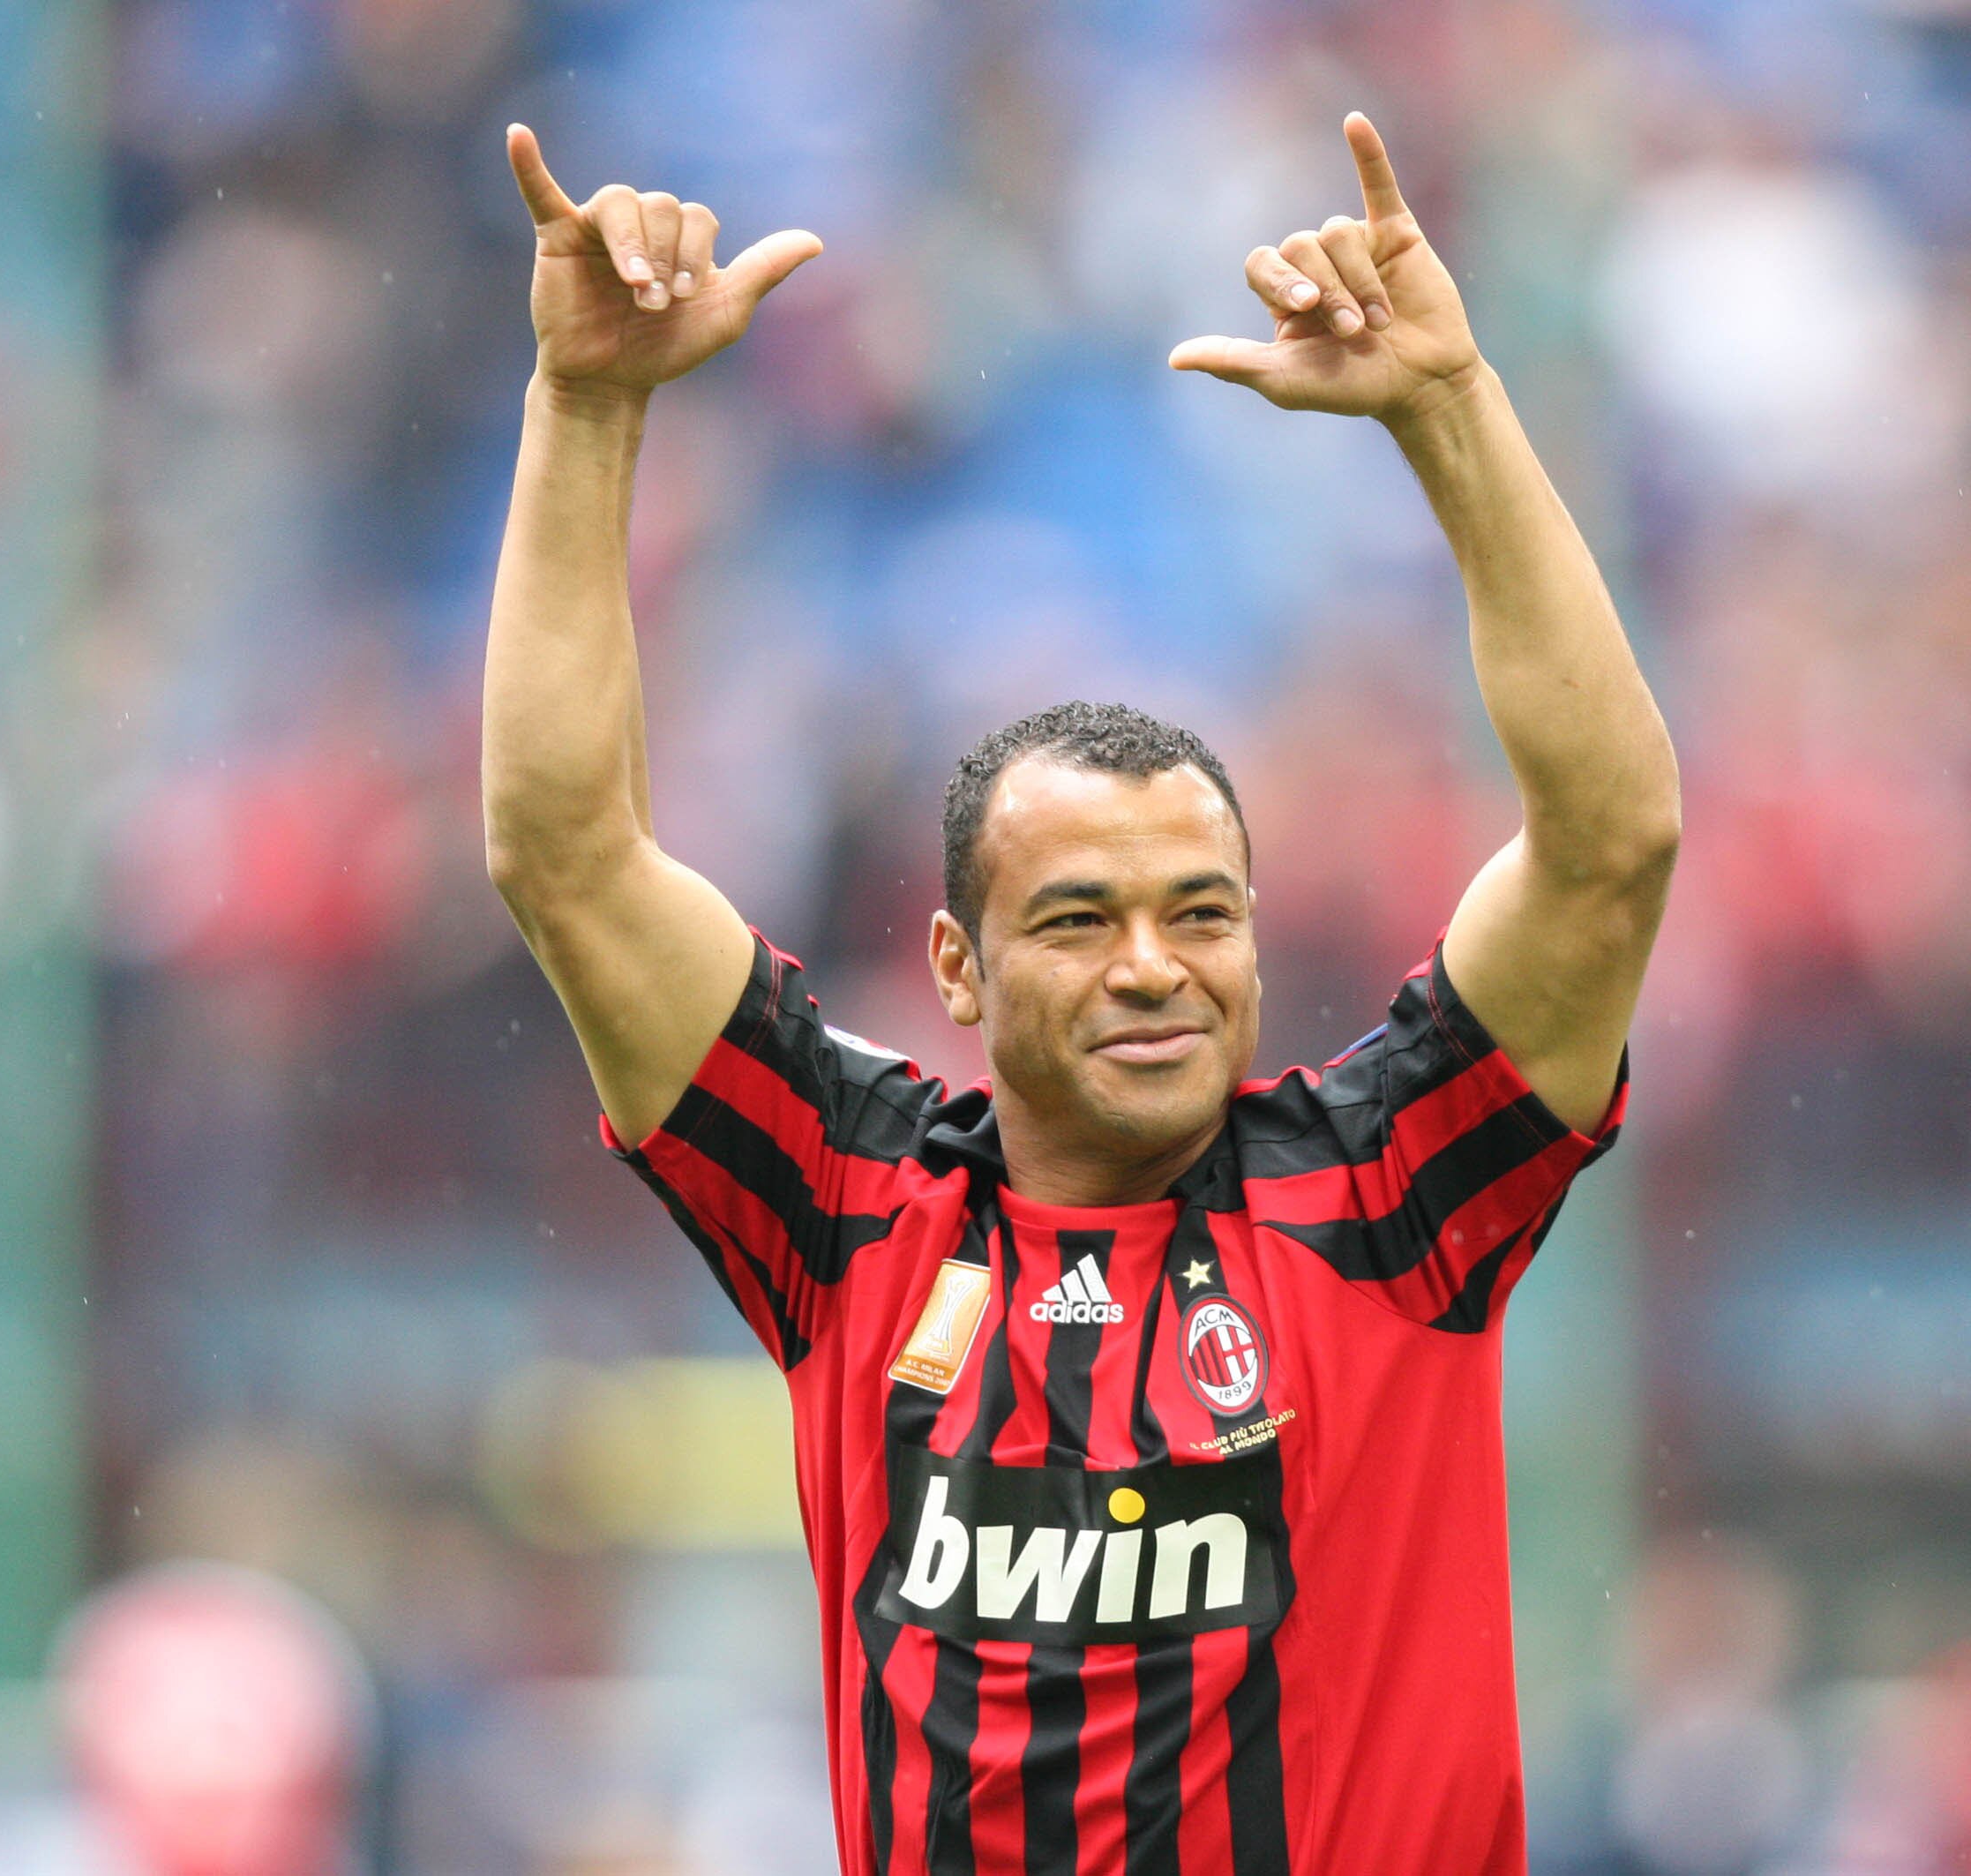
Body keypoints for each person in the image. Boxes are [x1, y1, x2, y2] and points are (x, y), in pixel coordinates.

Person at [483, 109, 1678, 1876]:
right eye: (1078, 918)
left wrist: (1448, 412)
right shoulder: (852, 1204)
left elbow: (1609, 845)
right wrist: (588, 414)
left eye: (1204, 911)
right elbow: (564, 856)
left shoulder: (1385, 1190)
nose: (1152, 965)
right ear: (956, 964)